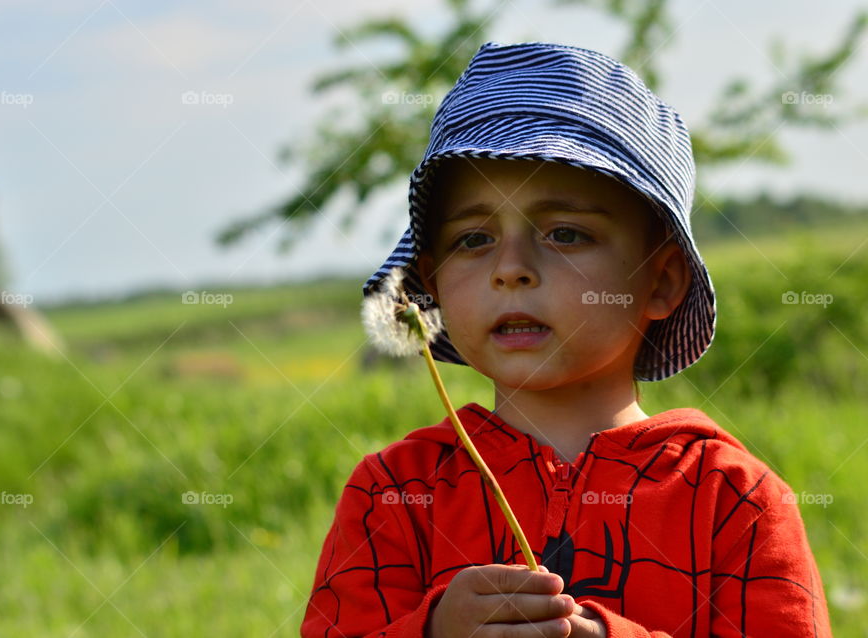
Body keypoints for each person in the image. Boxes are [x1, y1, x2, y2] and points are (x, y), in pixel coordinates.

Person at [301, 41, 830, 637]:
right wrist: (432, 631)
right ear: (432, 284)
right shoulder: (394, 495)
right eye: (474, 239)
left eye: (566, 233)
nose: (511, 267)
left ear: (662, 279)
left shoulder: (735, 499)